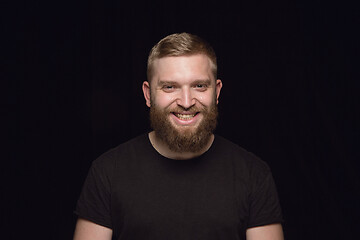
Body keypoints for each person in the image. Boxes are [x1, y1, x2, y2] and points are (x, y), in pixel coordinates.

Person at [73, 32, 284, 240]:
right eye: (170, 87)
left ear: (216, 92)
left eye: (199, 86)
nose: (186, 101)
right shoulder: (108, 172)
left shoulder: (253, 174)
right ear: (148, 95)